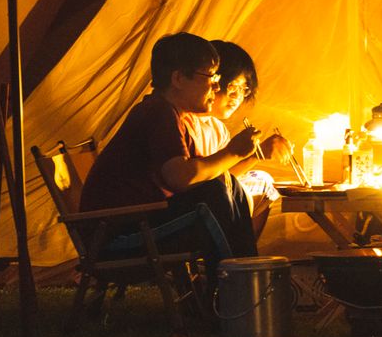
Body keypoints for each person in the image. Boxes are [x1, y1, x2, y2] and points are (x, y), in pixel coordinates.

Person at [78, 32, 262, 266]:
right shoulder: (157, 112)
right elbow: (181, 178)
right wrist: (233, 152)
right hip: (117, 237)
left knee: (229, 185)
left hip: (140, 224)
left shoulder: (174, 115)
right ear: (178, 79)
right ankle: (238, 284)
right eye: (210, 77)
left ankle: (246, 277)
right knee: (213, 194)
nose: (216, 86)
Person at [184, 40, 290, 237]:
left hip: (213, 195)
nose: (236, 96)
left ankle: (245, 254)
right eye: (232, 86)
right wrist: (255, 155)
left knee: (262, 181)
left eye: (244, 89)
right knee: (229, 192)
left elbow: (227, 174)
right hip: (190, 207)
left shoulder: (217, 128)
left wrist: (255, 154)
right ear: (212, 82)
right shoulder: (185, 121)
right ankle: (237, 256)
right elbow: (208, 181)